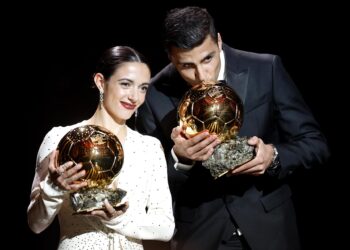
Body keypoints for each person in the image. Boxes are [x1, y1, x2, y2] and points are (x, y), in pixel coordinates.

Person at [137, 6, 330, 250]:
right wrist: (180, 160)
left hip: (270, 230)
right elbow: (145, 182)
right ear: (170, 57)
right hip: (201, 235)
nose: (202, 75)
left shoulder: (265, 68)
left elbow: (314, 143)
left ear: (218, 41)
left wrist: (274, 157)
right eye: (186, 66)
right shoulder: (153, 94)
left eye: (208, 58)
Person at [27, 45, 175, 250]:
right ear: (100, 82)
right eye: (126, 84)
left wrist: (119, 219)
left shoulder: (149, 148)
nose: (135, 97)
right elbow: (35, 225)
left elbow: (165, 227)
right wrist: (54, 189)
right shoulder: (61, 138)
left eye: (143, 88)